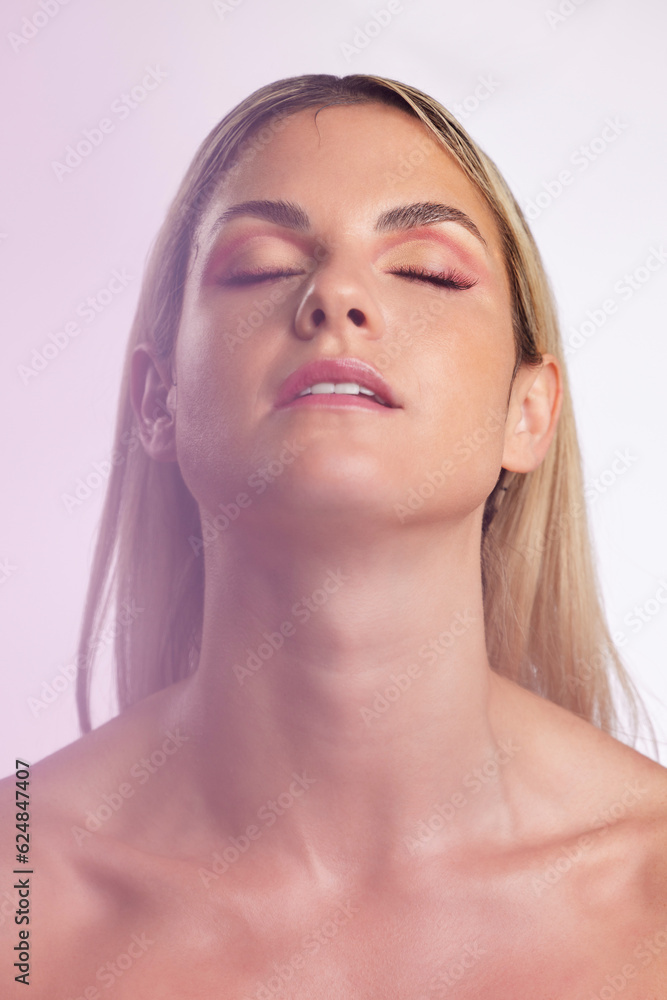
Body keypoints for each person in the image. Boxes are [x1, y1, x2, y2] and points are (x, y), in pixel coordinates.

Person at [3, 73, 667, 998]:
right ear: (159, 399)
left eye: (426, 269)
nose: (336, 297)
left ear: (529, 411)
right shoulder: (18, 898)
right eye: (264, 264)